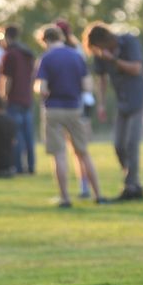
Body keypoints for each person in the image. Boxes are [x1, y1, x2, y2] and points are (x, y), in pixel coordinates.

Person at [35, 25, 108, 207]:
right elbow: (87, 86)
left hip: (53, 109)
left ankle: (65, 197)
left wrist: (40, 88)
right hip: (74, 108)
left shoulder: (46, 58)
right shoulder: (77, 56)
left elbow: (42, 88)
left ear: (45, 40)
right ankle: (98, 195)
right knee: (83, 153)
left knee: (59, 154)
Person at [82, 21, 143, 201]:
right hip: (122, 102)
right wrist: (101, 103)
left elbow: (136, 68)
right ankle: (133, 183)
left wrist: (114, 60)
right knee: (118, 145)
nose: (98, 51)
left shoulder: (129, 42)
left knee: (131, 145)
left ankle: (131, 186)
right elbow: (101, 79)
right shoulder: (101, 54)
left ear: (106, 39)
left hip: (137, 99)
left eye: (99, 47)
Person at [56, 18, 95, 198]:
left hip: (62, 105)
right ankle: (85, 187)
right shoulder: (78, 50)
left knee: (65, 151)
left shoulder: (55, 54)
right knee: (80, 149)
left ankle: (69, 192)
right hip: (79, 104)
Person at [0, 25, 36, 174]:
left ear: (6, 36)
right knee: (29, 136)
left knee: (16, 136)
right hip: (27, 98)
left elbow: (7, 79)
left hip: (13, 99)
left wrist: (3, 96)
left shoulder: (10, 54)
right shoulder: (27, 53)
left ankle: (19, 167)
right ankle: (31, 166)